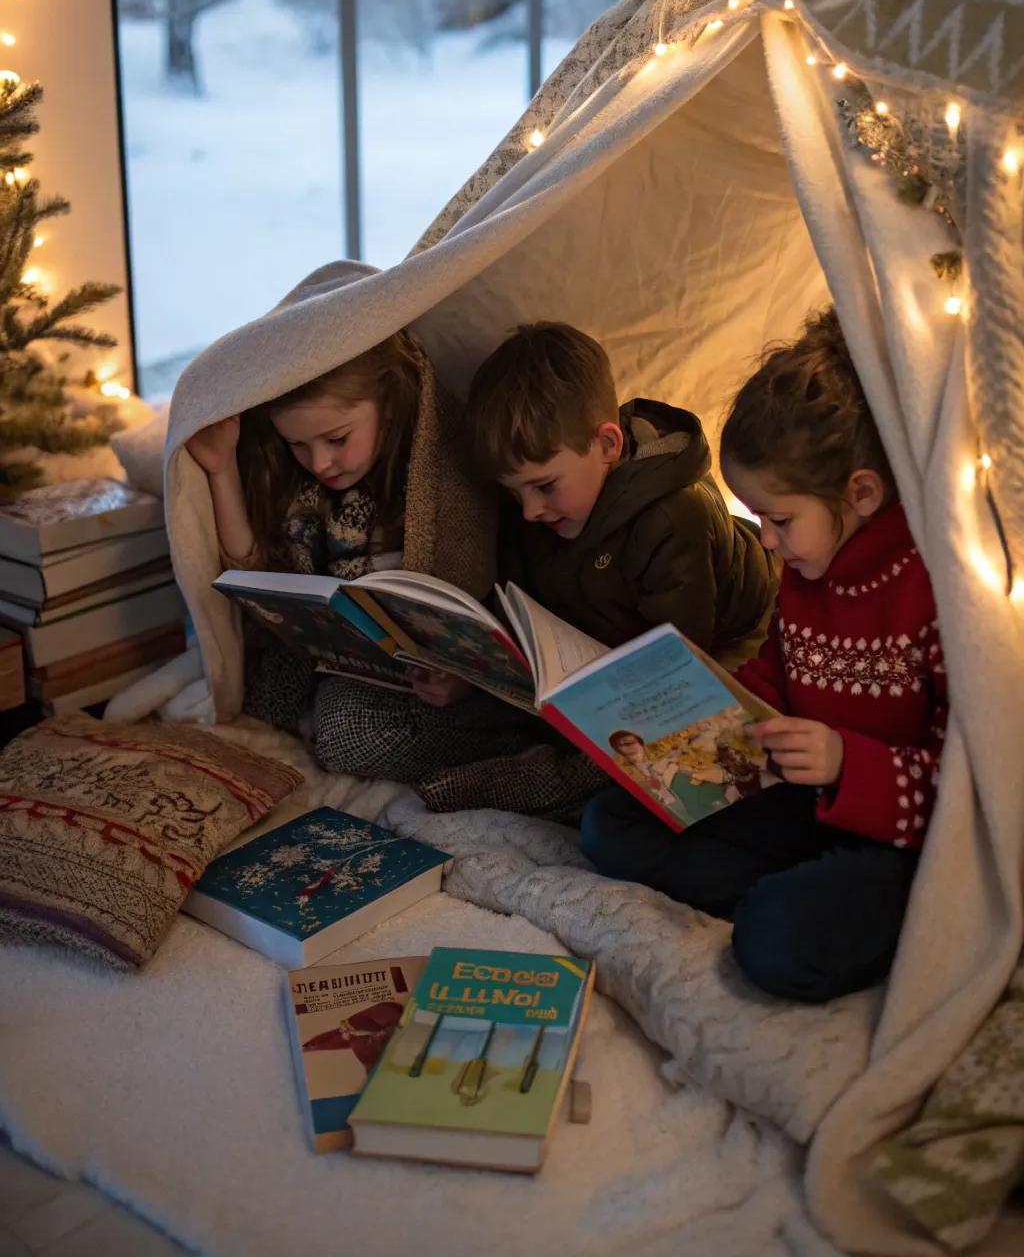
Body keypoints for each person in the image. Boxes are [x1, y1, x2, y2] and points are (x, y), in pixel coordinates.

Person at [581, 308, 947, 1003]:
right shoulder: (809, 567)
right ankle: (786, 893)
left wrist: (847, 763)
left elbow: (969, 791)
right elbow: (779, 671)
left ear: (860, 495)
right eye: (758, 521)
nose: (768, 542)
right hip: (799, 800)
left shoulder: (932, 587)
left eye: (779, 521)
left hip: (899, 842)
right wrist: (704, 717)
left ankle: (799, 907)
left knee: (778, 941)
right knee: (607, 826)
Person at [185, 326, 543, 805]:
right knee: (265, 688)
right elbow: (255, 572)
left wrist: (459, 677)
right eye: (298, 445)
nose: (319, 462)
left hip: (442, 686)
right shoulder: (306, 490)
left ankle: (519, 758)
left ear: (388, 405)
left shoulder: (443, 474)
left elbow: (479, 599)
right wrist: (222, 469)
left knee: (346, 731)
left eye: (336, 438)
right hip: (351, 664)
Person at [465, 321, 776, 662]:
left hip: (739, 629)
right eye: (513, 491)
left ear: (607, 444)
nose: (529, 510)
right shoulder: (541, 507)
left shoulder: (672, 519)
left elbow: (679, 658)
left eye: (545, 486)